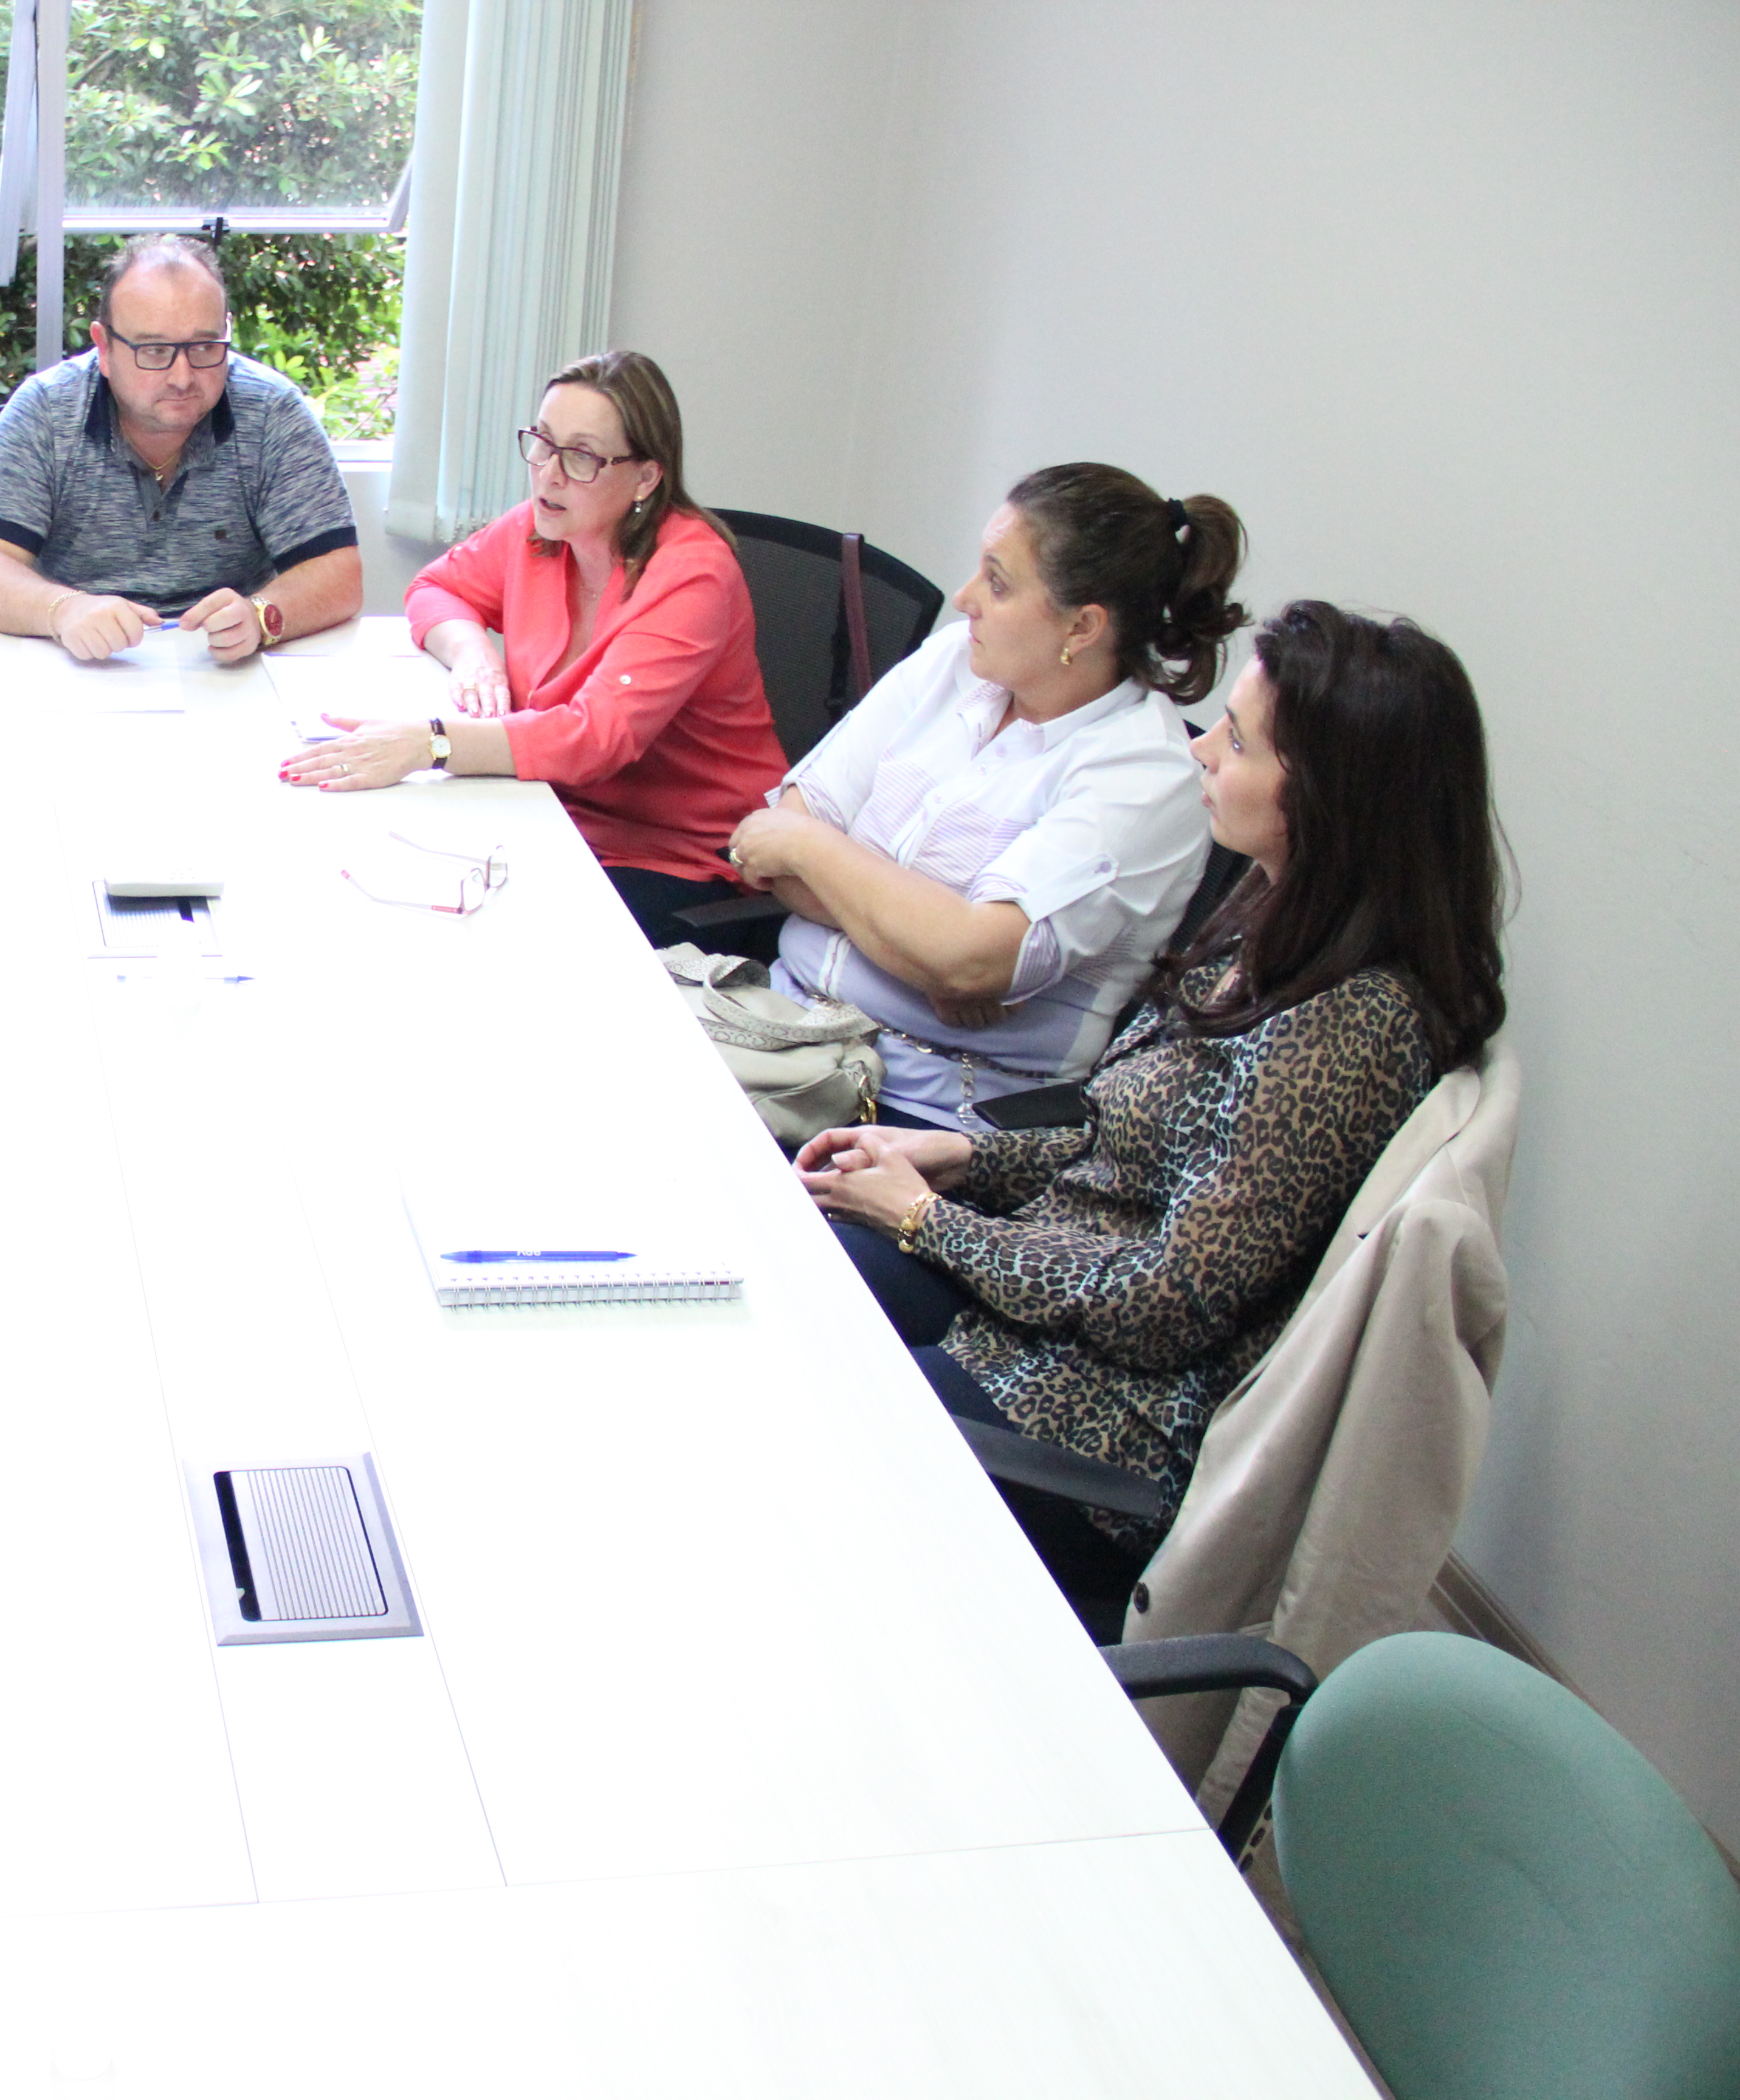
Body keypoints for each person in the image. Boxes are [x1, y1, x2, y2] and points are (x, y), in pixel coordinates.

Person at [796, 601, 1507, 1574]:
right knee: (798, 1275)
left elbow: (1166, 1300)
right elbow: (1128, 1143)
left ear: (1331, 797)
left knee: (816, 1403)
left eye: (1240, 740)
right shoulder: (1277, 919)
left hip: (1096, 1420)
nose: (1203, 750)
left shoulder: (1354, 1028)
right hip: (1043, 1312)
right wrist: (964, 1158)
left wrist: (929, 1222)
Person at [721, 464, 1243, 1126]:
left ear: (1081, 629)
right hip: (777, 1025)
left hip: (924, 1109)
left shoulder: (1145, 773)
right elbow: (769, 851)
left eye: (997, 583)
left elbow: (970, 960)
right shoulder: (956, 662)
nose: (966, 598)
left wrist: (809, 848)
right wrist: (922, 952)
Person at [277, 351, 788, 945]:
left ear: (646, 477)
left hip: (684, 859)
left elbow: (596, 738)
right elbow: (435, 588)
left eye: (582, 457)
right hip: (552, 813)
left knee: (478, 937)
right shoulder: (542, 529)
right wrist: (473, 652)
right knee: (373, 878)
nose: (548, 473)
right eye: (542, 443)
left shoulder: (692, 574)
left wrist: (430, 742)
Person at [0, 232, 362, 665]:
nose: (182, 377)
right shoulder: (47, 411)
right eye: (155, 350)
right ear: (105, 348)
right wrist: (63, 610)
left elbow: (339, 574)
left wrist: (260, 617)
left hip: (228, 665)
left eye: (204, 347)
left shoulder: (272, 410)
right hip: (78, 662)